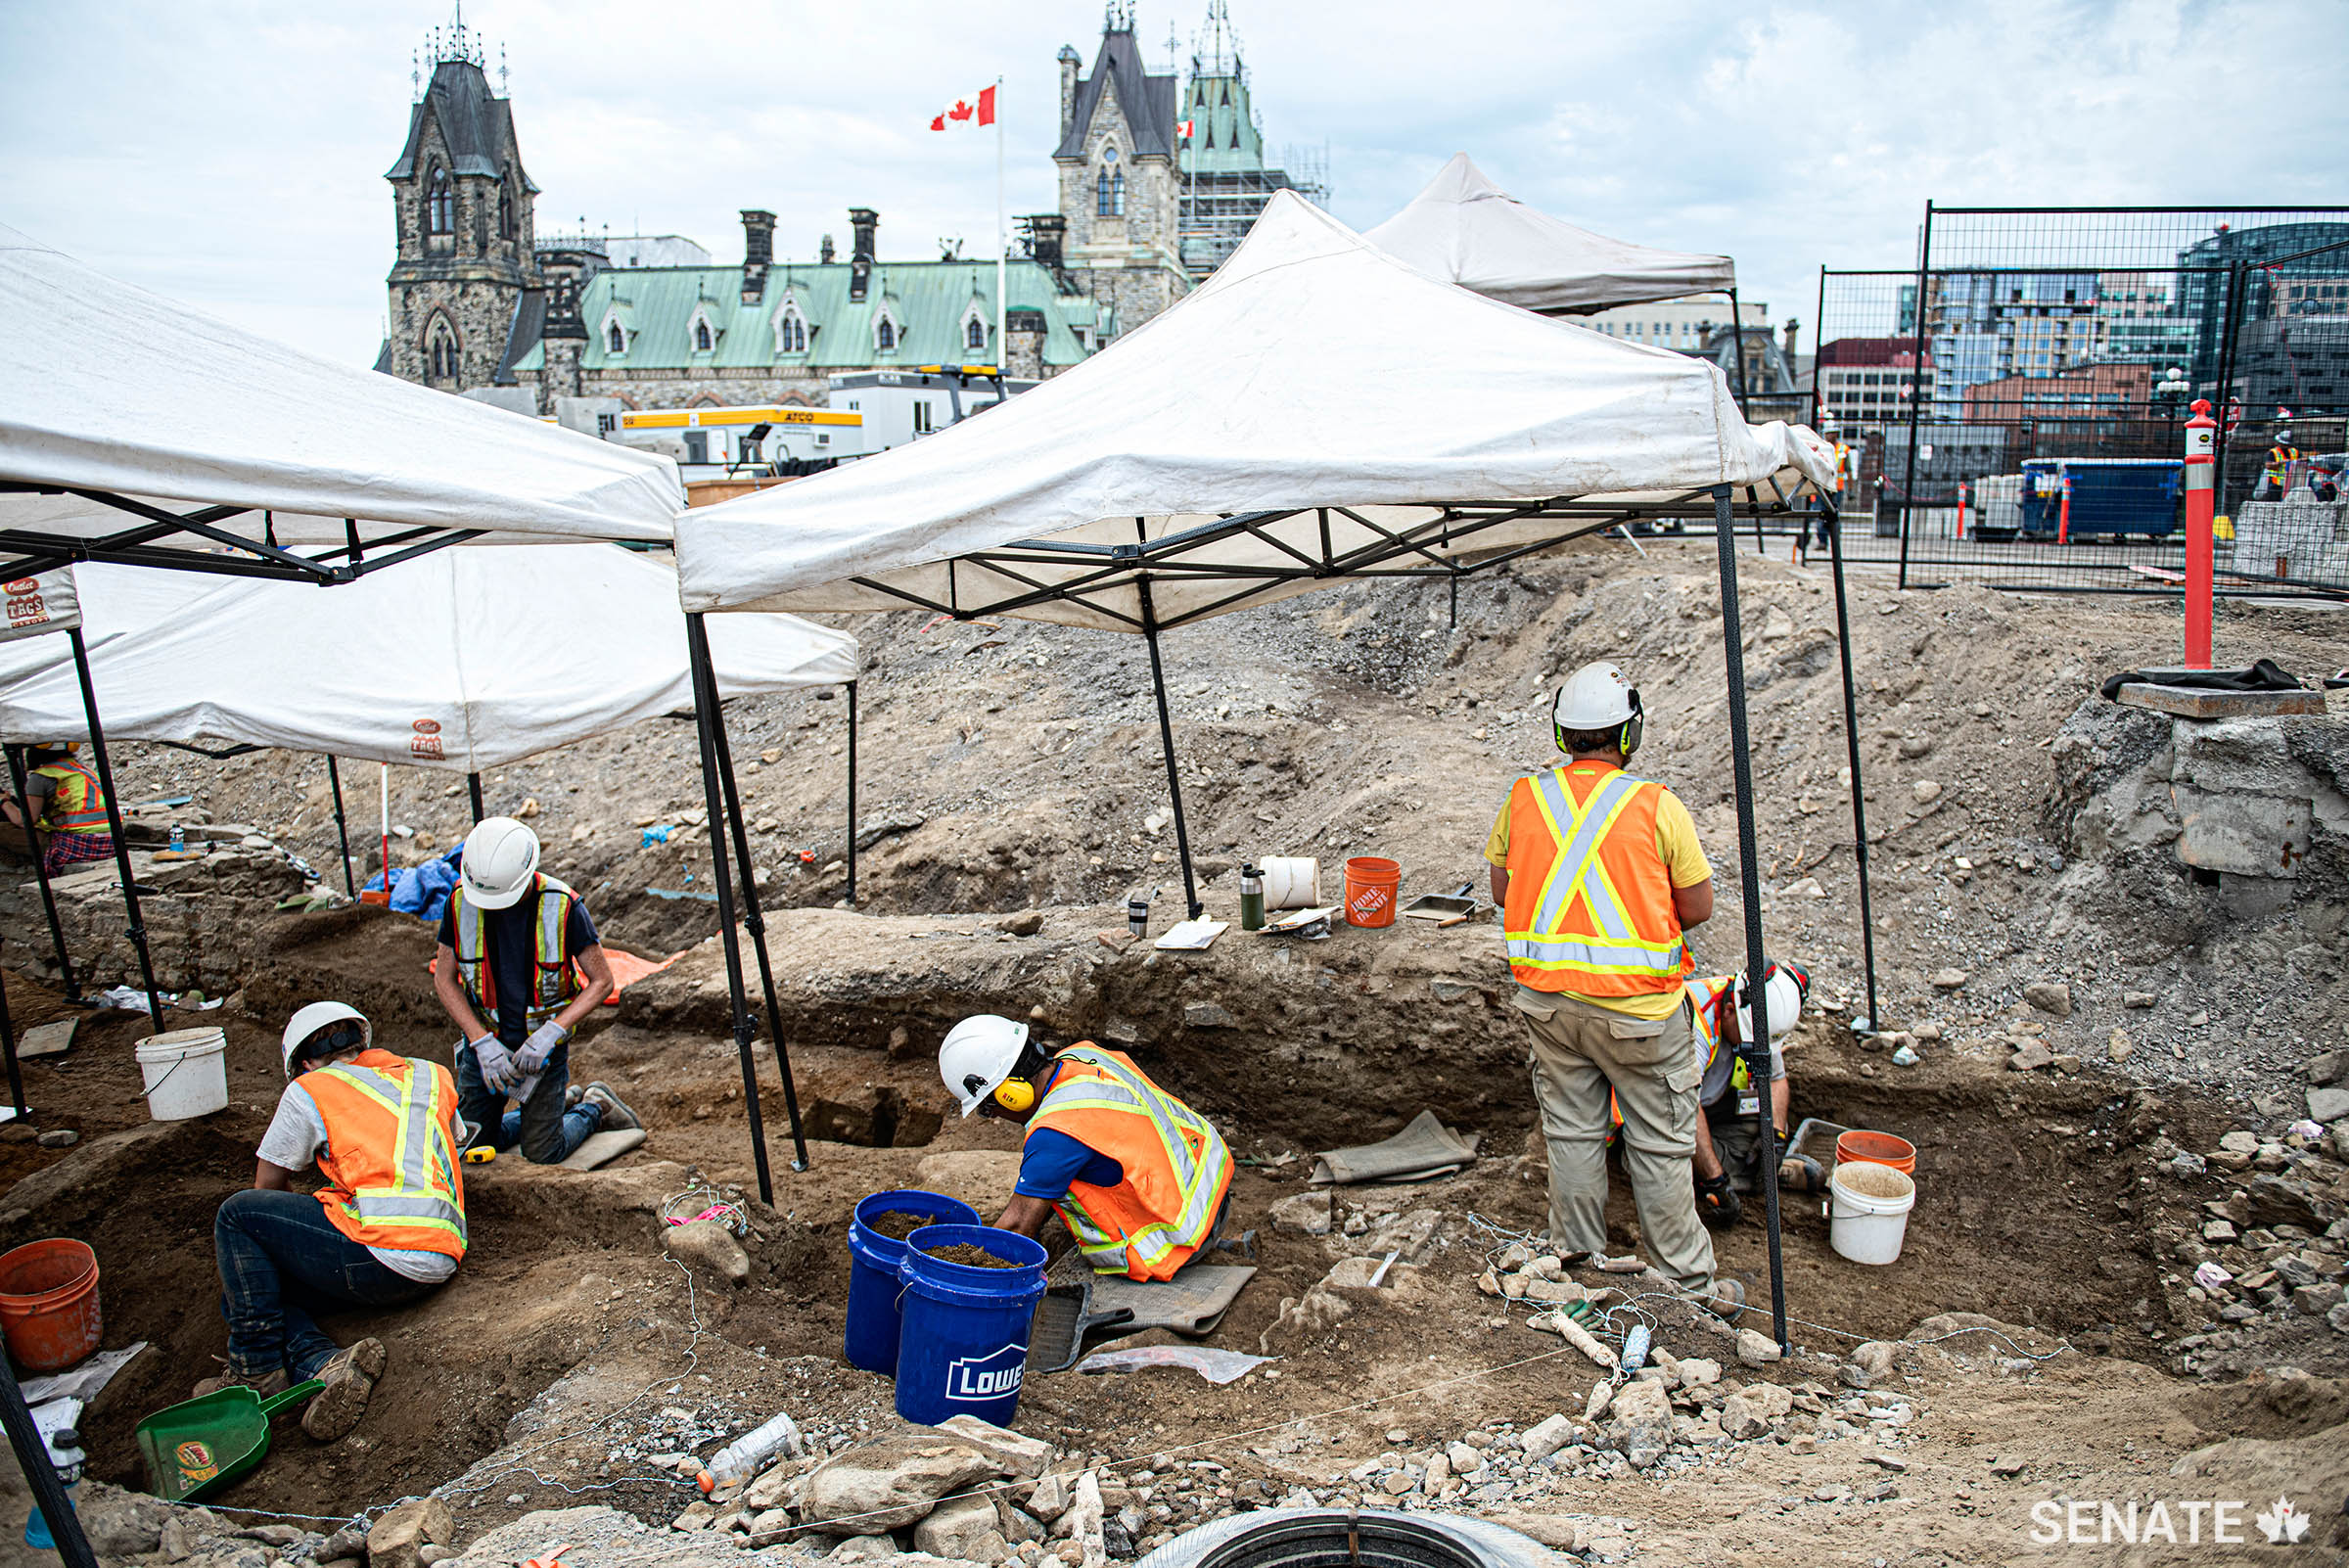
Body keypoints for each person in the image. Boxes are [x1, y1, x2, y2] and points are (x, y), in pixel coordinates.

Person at [1485, 662, 1741, 1316]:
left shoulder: (1525, 799)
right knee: (1659, 1146)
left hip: (1550, 1007)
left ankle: (1573, 1271)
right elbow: (1700, 906)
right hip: (1640, 1016)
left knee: (1572, 1137)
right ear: (1628, 734)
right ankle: (1687, 1293)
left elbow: (1502, 892)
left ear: (1562, 731)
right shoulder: (1656, 805)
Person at [204, 1002, 464, 1439]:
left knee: (237, 1216)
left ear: (303, 1063)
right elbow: (451, 1142)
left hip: (382, 1252)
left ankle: (256, 1371)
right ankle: (323, 1365)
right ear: (363, 1041)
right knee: (246, 1295)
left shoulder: (312, 1087)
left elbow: (265, 1188)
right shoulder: (430, 1074)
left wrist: (290, 1245)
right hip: (441, 1254)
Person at [936, 1014, 1232, 1281]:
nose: (994, 1116)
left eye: (988, 1108)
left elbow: (1016, 1229)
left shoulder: (1056, 1133)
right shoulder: (1084, 1055)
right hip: (1212, 1195)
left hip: (1180, 1239)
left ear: (1011, 1095)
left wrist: (956, 1270)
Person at [432, 816, 635, 1164]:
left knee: (542, 1152)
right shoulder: (460, 902)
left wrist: (551, 1033)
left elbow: (602, 981)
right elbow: (444, 979)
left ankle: (593, 1108)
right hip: (485, 1045)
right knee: (470, 1143)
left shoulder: (563, 905)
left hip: (542, 1048)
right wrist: (480, 1042)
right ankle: (560, 1105)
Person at [1684, 962, 1808, 1228]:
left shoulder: (1756, 1015)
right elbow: (1687, 1108)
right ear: (1729, 1011)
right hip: (1670, 1110)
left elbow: (1776, 1079)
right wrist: (1715, 1180)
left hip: (1713, 1105)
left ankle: (1749, 1168)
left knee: (1760, 1128)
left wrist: (1774, 1138)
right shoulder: (1692, 1022)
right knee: (1672, 1150)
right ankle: (1698, 1173)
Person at [0, 742, 115, 877]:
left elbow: (23, 821)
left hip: (79, 844)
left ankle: (18, 861)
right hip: (111, 842)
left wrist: (4, 801)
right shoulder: (80, 769)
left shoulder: (40, 777)